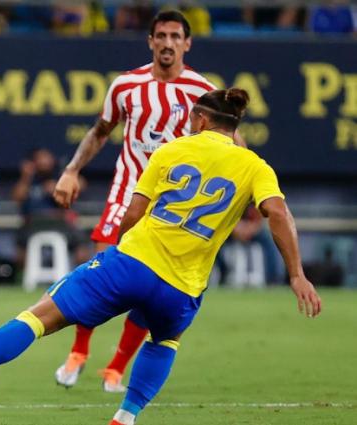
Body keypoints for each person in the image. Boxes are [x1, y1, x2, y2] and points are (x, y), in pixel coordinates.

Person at [0, 88, 321, 425]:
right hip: (183, 287)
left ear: (202, 120)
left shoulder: (172, 151)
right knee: (165, 340)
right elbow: (277, 213)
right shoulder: (255, 166)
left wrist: (121, 262)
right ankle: (125, 417)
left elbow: (132, 214)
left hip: (133, 262)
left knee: (39, 317)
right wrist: (296, 274)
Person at [52, 9, 238, 393]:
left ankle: (116, 367)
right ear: (150, 41)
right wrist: (71, 170)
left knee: (151, 288)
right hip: (127, 193)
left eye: (175, 36)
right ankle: (78, 352)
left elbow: (234, 144)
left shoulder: (203, 92)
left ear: (187, 43)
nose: (168, 43)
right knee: (99, 268)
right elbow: (101, 131)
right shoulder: (126, 85)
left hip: (173, 208)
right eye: (161, 35)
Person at [13, 148, 90, 268]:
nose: (44, 162)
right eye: (40, 158)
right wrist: (26, 176)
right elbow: (17, 198)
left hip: (60, 223)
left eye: (47, 158)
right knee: (19, 244)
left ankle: (82, 275)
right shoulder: (30, 180)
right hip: (33, 224)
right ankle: (23, 278)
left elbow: (82, 185)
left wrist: (58, 188)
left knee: (81, 242)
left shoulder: (60, 175)